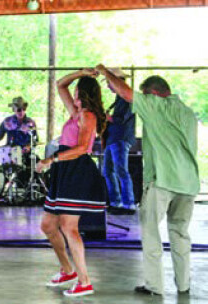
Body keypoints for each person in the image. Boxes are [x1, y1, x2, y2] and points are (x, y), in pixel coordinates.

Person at [96, 64, 199, 296]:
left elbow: (124, 92)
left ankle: (154, 286)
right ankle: (184, 285)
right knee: (180, 234)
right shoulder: (188, 112)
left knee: (152, 234)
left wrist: (104, 72)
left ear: (152, 94)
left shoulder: (155, 105)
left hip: (163, 180)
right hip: (189, 182)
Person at [36, 69, 107, 297]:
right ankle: (68, 271)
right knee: (48, 225)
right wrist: (82, 72)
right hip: (64, 170)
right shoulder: (74, 112)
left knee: (69, 227)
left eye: (77, 91)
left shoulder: (88, 115)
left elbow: (81, 148)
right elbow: (60, 84)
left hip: (76, 170)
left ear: (83, 94)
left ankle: (85, 281)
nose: (73, 94)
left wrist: (51, 158)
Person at [102, 68, 137, 214]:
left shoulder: (127, 98)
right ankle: (116, 202)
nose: (108, 86)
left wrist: (106, 117)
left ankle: (129, 204)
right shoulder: (118, 99)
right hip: (113, 139)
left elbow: (121, 119)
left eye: (109, 82)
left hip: (121, 139)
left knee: (121, 171)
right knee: (108, 171)